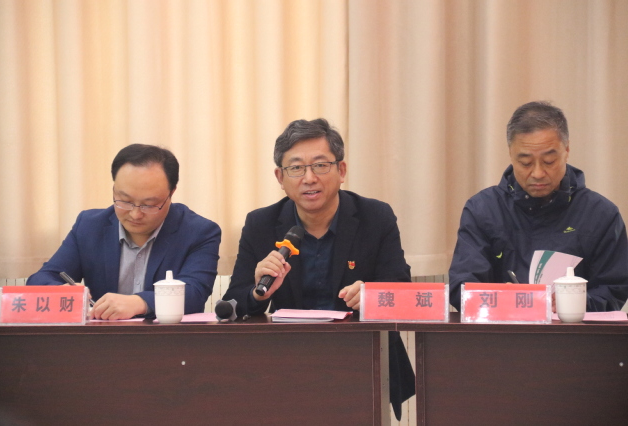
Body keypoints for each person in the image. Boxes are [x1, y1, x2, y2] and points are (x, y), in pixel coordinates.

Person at [222, 118, 415, 419]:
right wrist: (259, 294)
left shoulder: (375, 217)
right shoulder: (261, 224)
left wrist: (372, 294)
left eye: (321, 165)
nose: (309, 178)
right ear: (280, 177)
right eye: (296, 168)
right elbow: (233, 302)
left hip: (362, 361)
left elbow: (401, 289)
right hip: (284, 364)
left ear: (341, 171)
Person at [449, 101, 628, 312]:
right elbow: (462, 286)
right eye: (525, 163)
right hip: (501, 329)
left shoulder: (600, 214)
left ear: (567, 150)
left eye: (549, 161)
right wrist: (501, 297)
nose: (537, 173)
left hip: (573, 330)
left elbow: (615, 288)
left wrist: (575, 302)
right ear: (510, 153)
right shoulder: (483, 209)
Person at [28, 144, 221, 320]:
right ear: (114, 189)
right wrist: (61, 293)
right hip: (102, 341)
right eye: (125, 201)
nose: (135, 214)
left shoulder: (199, 232)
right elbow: (40, 280)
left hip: (169, 342)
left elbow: (195, 293)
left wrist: (140, 302)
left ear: (172, 193)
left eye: (149, 204)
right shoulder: (89, 226)